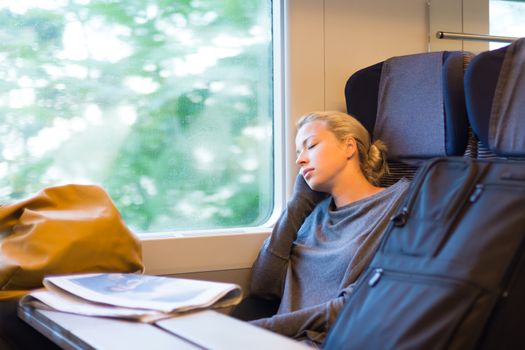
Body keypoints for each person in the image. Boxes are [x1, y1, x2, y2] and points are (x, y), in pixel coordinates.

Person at [235, 111, 410, 346]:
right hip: (279, 340)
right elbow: (263, 287)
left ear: (349, 147)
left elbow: (360, 301)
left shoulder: (399, 203)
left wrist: (258, 329)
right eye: (298, 153)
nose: (300, 160)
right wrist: (297, 204)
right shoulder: (313, 215)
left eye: (311, 146)